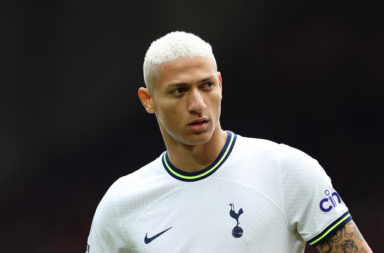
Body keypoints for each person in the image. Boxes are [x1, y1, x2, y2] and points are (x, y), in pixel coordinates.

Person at [86, 31, 372, 253]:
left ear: (220, 85)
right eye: (179, 91)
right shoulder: (121, 205)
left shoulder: (287, 170)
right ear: (148, 100)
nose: (198, 104)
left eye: (206, 85)